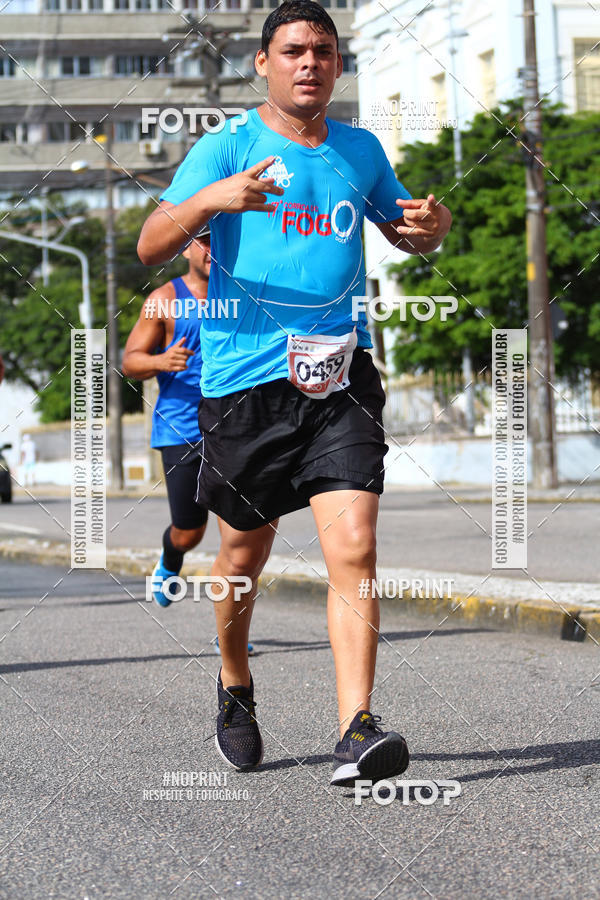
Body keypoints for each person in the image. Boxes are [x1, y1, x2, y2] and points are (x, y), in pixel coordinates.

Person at [138, 0, 452, 785]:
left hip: (340, 376)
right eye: (292, 51)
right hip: (246, 387)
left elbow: (404, 231)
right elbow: (150, 243)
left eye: (323, 51)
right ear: (263, 63)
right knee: (243, 555)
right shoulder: (227, 146)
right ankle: (235, 683)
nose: (309, 63)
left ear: (338, 64)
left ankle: (356, 728)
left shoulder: (360, 148)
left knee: (355, 546)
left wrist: (432, 227)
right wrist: (210, 200)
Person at [122, 229, 254, 655]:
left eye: (219, 240)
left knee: (239, 537)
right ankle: (170, 557)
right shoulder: (164, 299)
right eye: (204, 241)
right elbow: (130, 361)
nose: (212, 249)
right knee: (189, 532)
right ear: (186, 249)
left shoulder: (245, 292)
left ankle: (231, 632)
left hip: (235, 428)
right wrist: (160, 360)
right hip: (181, 429)